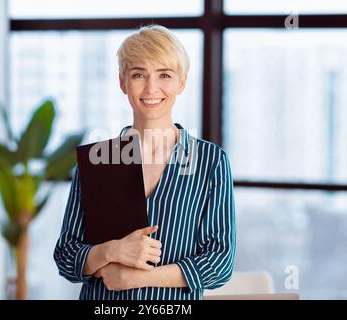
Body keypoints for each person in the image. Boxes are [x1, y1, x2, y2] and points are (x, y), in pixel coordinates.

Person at [54, 24, 236, 300]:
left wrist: (141, 277)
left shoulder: (210, 161)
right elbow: (66, 255)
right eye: (139, 74)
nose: (151, 88)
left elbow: (220, 262)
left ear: (181, 82)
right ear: (122, 82)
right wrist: (111, 251)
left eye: (164, 75)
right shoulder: (98, 160)